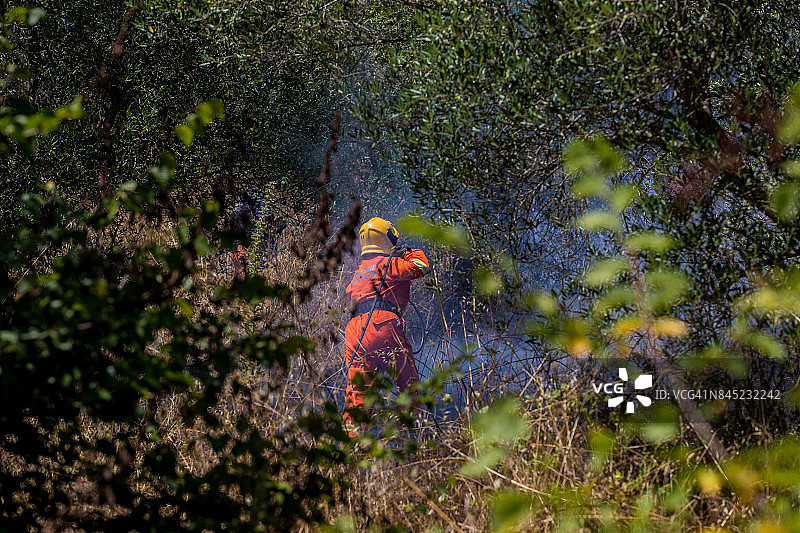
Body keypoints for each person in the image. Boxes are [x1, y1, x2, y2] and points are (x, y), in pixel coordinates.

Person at [343, 217, 430, 437]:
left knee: (358, 392)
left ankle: (352, 445)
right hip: (381, 322)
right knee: (408, 385)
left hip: (354, 330)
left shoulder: (359, 272)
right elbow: (421, 267)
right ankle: (413, 437)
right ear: (387, 238)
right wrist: (408, 252)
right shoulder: (389, 262)